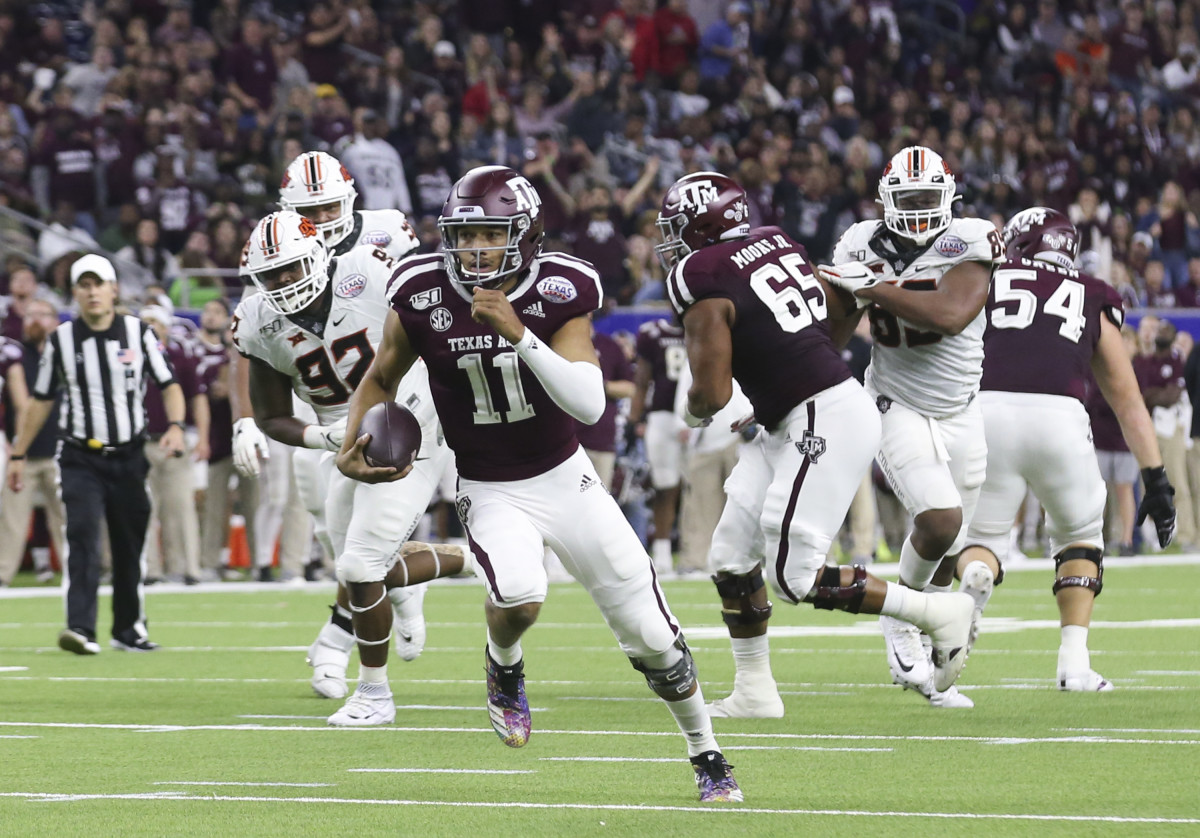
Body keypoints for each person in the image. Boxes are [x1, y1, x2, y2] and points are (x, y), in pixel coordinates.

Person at [336, 165, 742, 803]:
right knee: (522, 594)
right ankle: (503, 665)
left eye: (490, 236)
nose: (474, 251)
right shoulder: (419, 289)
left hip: (565, 477)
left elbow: (587, 404)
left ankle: (707, 753)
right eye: (464, 237)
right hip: (489, 484)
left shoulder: (560, 286)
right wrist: (349, 447)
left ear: (524, 236)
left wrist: (520, 334)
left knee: (652, 634)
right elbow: (381, 378)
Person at [657, 170, 975, 721]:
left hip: (821, 414)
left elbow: (710, 392)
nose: (670, 242)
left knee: (793, 577)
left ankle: (933, 612)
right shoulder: (774, 239)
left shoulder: (698, 271)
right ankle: (755, 690)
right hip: (800, 406)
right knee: (731, 554)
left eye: (678, 228)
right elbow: (825, 314)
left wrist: (689, 411)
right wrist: (780, 388)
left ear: (701, 228)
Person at [234, 210, 457, 724]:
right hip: (343, 440)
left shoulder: (370, 271)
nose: (283, 282)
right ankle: (467, 561)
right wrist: (325, 435)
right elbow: (270, 415)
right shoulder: (257, 321)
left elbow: (434, 327)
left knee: (360, 565)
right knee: (352, 564)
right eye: (271, 275)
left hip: (407, 416)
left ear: (317, 254)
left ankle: (374, 694)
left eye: (291, 268)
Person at [956, 207, 1177, 693]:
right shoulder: (1092, 292)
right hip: (1060, 415)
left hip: (987, 410)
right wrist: (1156, 478)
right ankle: (1074, 664)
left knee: (984, 540)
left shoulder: (983, 278)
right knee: (1079, 535)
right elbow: (1126, 397)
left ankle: (974, 580)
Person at [824, 146, 1004, 708]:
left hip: (961, 407)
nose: (922, 209)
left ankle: (929, 661)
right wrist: (794, 385)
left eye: (930, 198)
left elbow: (951, 315)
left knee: (949, 551)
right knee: (939, 519)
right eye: (911, 200)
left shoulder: (970, 238)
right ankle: (899, 618)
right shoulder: (859, 242)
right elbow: (836, 330)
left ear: (949, 196)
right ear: (887, 201)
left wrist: (871, 287)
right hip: (894, 400)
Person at [7, 254, 185, 654]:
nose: (92, 292)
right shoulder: (61, 340)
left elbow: (169, 383)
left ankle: (129, 629)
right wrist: (17, 454)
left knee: (129, 544)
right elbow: (40, 400)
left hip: (129, 454)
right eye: (84, 285)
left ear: (113, 289)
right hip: (79, 456)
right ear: (75, 293)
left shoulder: (139, 334)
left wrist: (175, 426)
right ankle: (81, 629)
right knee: (83, 535)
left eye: (98, 284)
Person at [0, 298, 66, 585]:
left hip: (61, 450)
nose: (35, 320)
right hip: (22, 452)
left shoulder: (67, 357)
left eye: (42, 315)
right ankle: (3, 574)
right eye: (29, 315)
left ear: (56, 320)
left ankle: (76, 572)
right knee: (12, 519)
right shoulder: (15, 356)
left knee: (66, 519)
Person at [630, 317, 688, 574]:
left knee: (702, 486)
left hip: (700, 413)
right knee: (664, 485)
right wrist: (635, 418)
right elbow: (642, 379)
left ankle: (698, 549)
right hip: (662, 415)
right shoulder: (652, 333)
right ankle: (663, 553)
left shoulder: (707, 321)